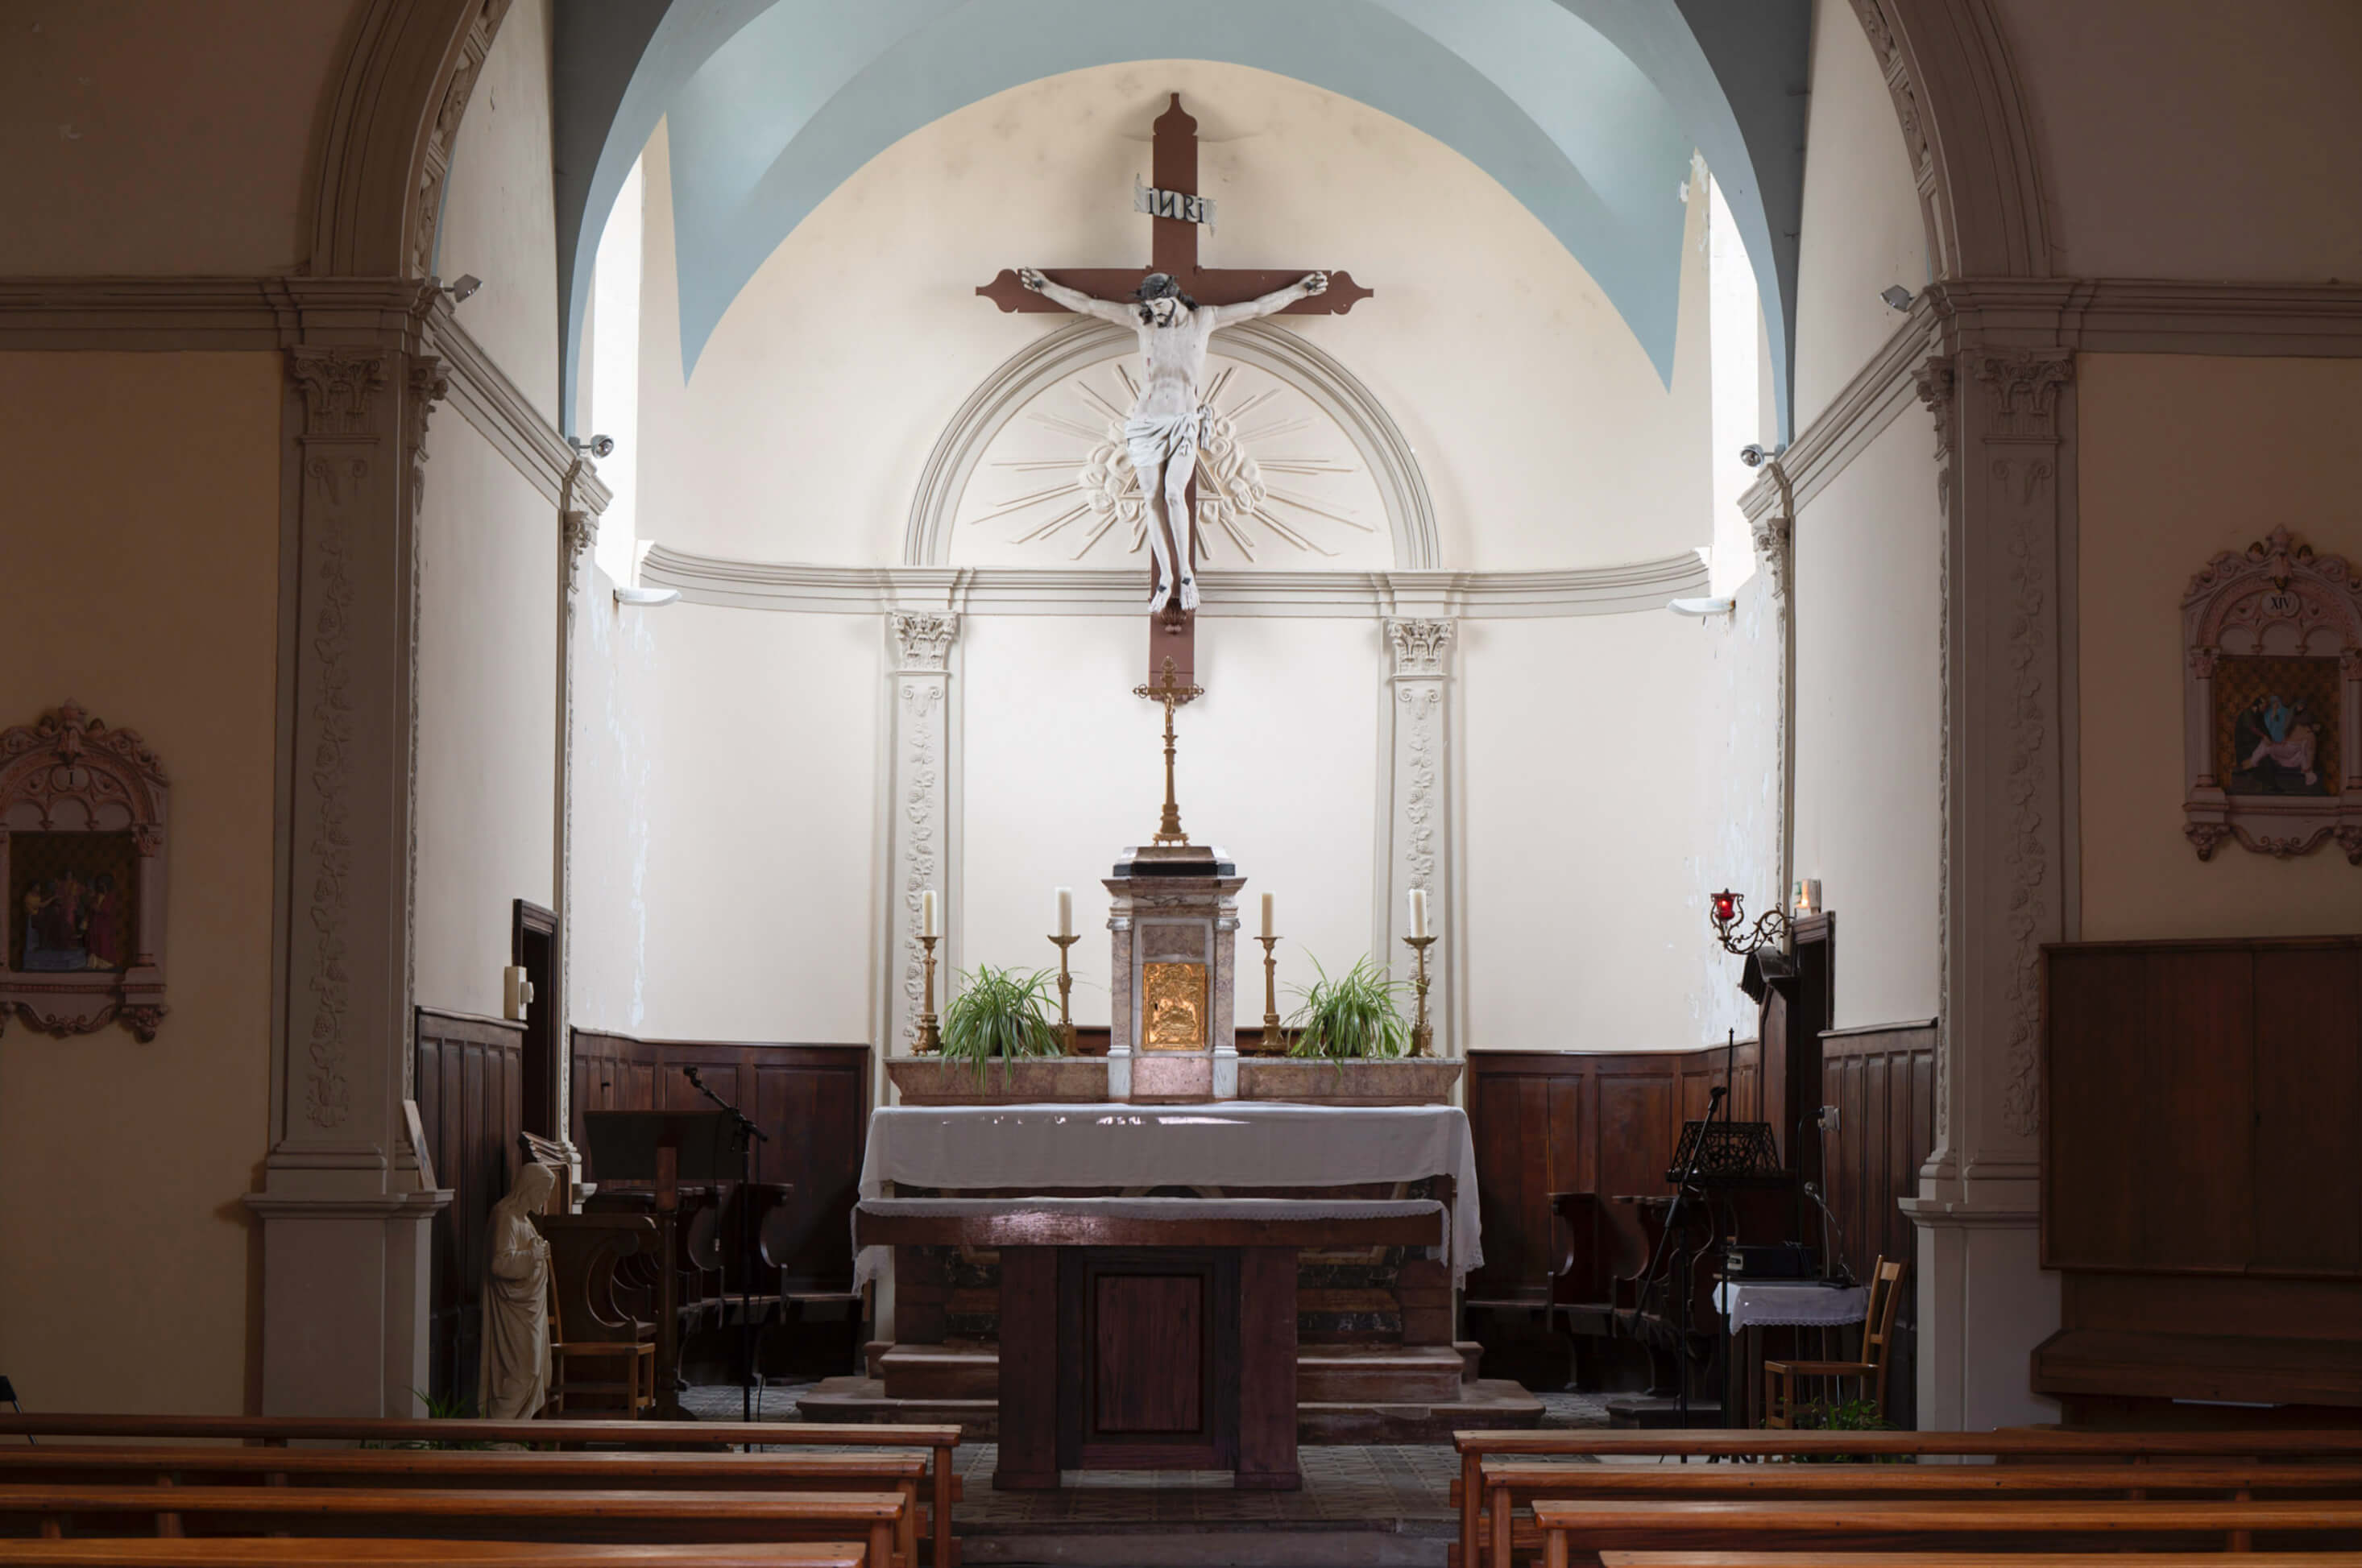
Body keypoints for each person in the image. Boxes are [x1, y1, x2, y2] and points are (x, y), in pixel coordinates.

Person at [1018, 266, 1328, 611]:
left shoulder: (1204, 320)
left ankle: (1186, 574)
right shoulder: (1142, 321)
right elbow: (1090, 306)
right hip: (1145, 421)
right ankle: (1165, 576)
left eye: (1161, 304)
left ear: (1174, 294)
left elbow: (1257, 307)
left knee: (1173, 493)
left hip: (1183, 420)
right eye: (1151, 306)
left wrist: (1300, 291)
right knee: (1151, 496)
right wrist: (1045, 288)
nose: (1157, 312)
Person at [479, 1161, 557, 1419]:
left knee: (533, 1372)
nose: (546, 1198)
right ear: (529, 1188)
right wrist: (533, 1254)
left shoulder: (523, 1220)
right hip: (514, 1313)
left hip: (528, 1311)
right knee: (521, 1373)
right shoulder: (505, 1216)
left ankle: (512, 1436)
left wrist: (537, 1252)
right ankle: (499, 1438)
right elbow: (499, 1264)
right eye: (544, 1192)